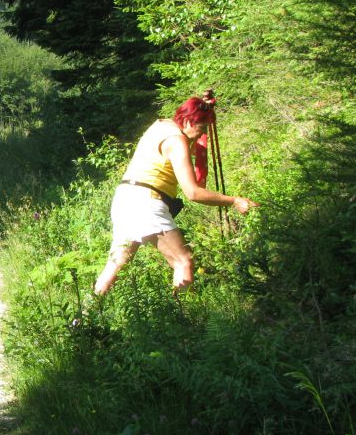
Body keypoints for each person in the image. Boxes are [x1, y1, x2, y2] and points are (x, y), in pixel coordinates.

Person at [94, 92, 258, 297]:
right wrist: (234, 201)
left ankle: (83, 320)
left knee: (117, 262)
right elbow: (193, 192)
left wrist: (204, 107)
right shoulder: (176, 140)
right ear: (189, 121)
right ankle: (183, 318)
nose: (201, 134)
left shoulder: (161, 125)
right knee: (184, 260)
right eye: (201, 128)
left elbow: (187, 121)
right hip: (146, 203)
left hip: (126, 198)